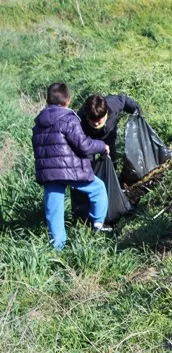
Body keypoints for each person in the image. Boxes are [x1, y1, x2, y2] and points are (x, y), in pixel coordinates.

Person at [32, 83, 112, 250]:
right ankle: (97, 226)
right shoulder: (69, 118)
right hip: (70, 169)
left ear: (47, 100)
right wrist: (101, 146)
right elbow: (83, 145)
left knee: (54, 208)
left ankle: (58, 246)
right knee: (98, 189)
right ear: (68, 101)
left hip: (48, 172)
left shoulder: (39, 121)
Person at [78, 94, 142, 166]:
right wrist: (100, 146)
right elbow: (83, 143)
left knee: (111, 159)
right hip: (90, 138)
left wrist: (136, 111)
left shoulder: (113, 105)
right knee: (88, 163)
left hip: (109, 134)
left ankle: (113, 171)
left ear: (106, 113)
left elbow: (124, 100)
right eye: (93, 121)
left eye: (99, 121)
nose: (96, 124)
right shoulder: (79, 120)